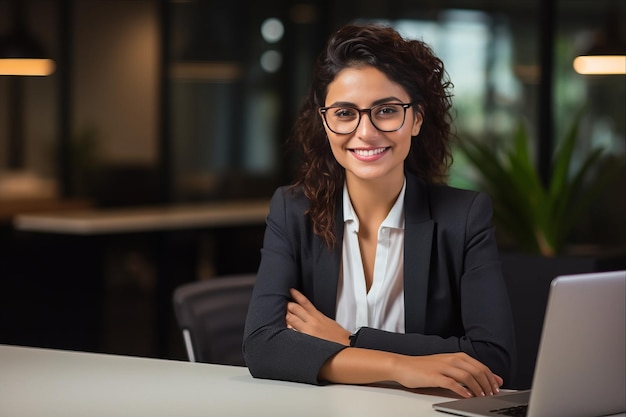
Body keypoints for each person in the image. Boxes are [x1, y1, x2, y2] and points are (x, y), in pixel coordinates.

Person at [242, 23, 516, 399]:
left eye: (386, 110)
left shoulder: (464, 217)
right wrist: (401, 366)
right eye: (344, 113)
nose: (366, 132)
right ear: (325, 122)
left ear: (416, 118)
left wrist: (349, 340)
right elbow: (262, 346)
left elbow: (492, 359)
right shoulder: (292, 211)